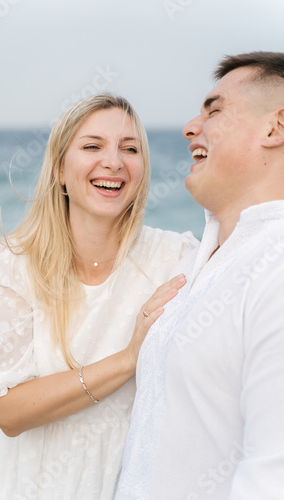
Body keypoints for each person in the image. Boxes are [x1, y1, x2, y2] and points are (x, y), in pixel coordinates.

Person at [0, 93, 198, 499]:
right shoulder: (15, 262)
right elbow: (9, 411)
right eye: (92, 146)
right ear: (60, 168)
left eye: (130, 149)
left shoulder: (176, 258)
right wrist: (128, 358)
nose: (114, 161)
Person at [115, 51, 284, 500]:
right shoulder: (193, 259)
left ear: (276, 128)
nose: (191, 126)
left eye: (214, 110)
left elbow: (273, 475)